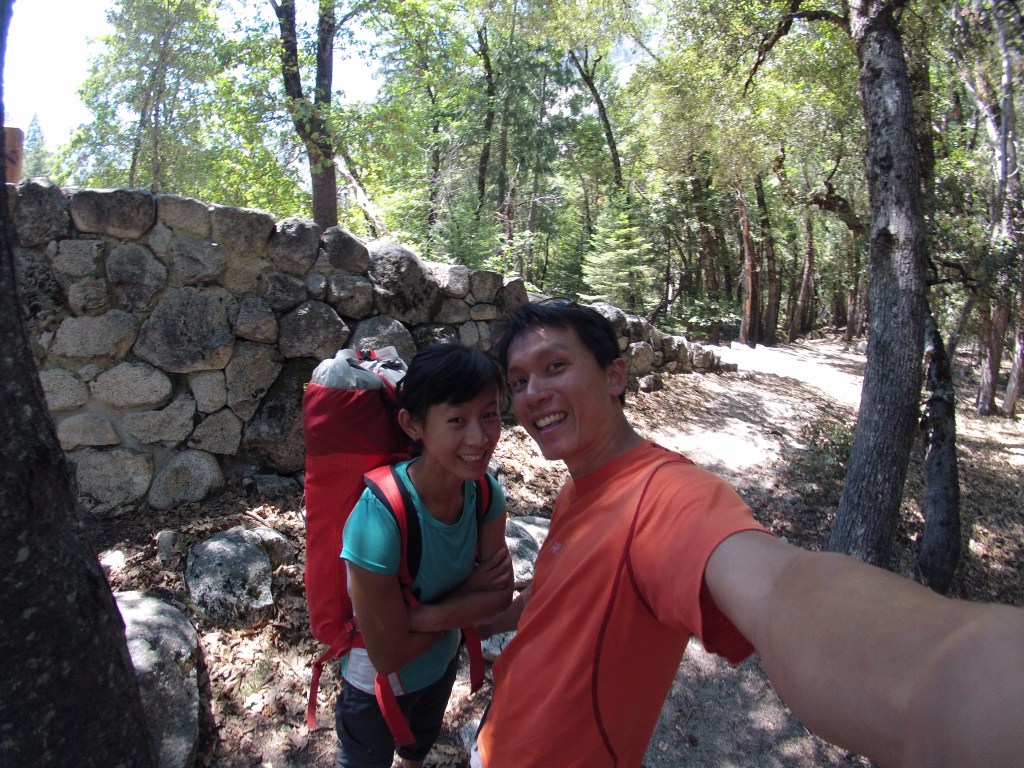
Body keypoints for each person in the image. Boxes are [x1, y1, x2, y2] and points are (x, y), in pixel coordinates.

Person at [472, 300, 1024, 768]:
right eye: (518, 381)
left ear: (615, 375)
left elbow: (780, 586)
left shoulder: (667, 498)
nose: (532, 392)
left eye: (555, 366)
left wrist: (945, 676)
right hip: (497, 739)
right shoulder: (579, 487)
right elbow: (558, 605)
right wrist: (460, 617)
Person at [337, 343, 513, 768]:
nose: (479, 437)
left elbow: (500, 597)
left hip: (439, 668)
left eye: (489, 414)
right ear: (412, 425)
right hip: (375, 688)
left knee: (416, 751)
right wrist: (466, 596)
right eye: (457, 419)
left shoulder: (485, 493)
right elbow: (388, 655)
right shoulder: (378, 519)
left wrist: (419, 617)